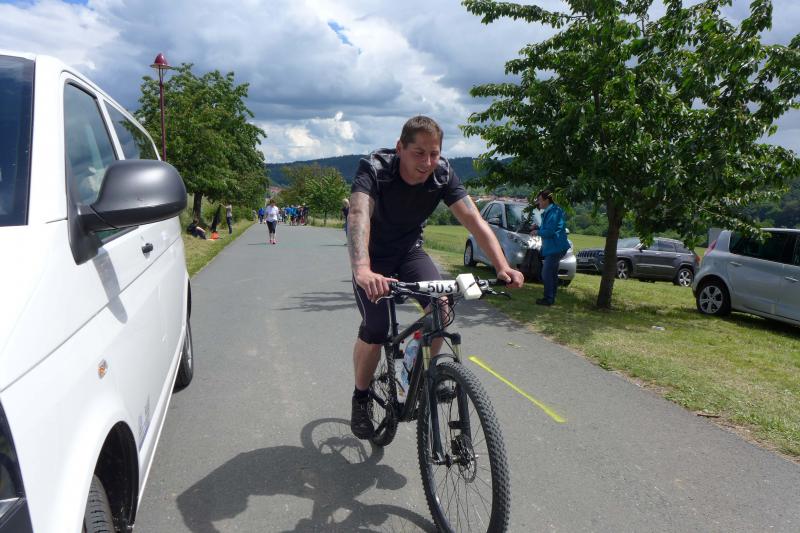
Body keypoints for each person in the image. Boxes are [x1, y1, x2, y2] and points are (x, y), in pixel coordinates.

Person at [347, 115, 524, 439]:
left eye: (434, 153)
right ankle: (361, 398)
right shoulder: (375, 167)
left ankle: (414, 374)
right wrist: (362, 269)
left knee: (441, 309)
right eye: (419, 153)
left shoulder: (442, 174)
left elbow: (475, 220)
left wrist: (502, 266)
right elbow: (358, 214)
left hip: (409, 251)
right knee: (376, 329)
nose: (427, 162)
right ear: (400, 148)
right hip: (372, 258)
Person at [530, 189, 570, 306]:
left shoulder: (553, 212)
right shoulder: (552, 211)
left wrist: (537, 232)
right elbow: (550, 228)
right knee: (552, 273)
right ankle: (551, 298)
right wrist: (538, 227)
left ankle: (548, 299)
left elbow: (550, 231)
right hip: (555, 247)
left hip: (555, 247)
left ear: (547, 200)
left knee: (546, 273)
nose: (538, 202)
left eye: (540, 200)